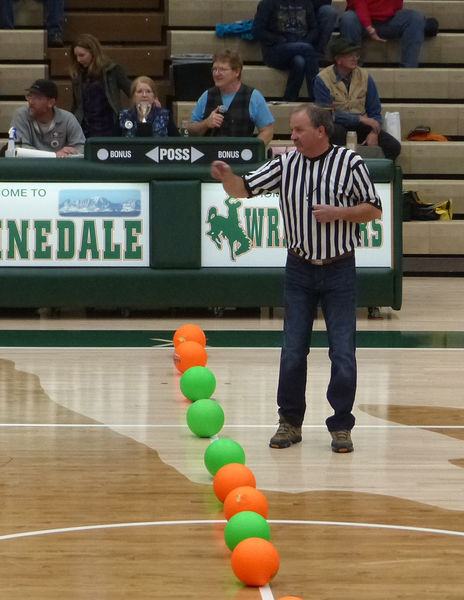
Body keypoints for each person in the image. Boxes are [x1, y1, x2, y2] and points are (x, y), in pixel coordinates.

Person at [210, 104, 382, 453]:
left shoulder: (351, 164)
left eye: (300, 129)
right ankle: (289, 422)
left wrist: (339, 213)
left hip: (339, 268)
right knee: (292, 351)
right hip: (300, 268)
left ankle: (341, 425)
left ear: (321, 131)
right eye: (293, 129)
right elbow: (244, 189)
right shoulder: (286, 163)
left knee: (343, 352)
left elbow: (374, 208)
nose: (294, 136)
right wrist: (228, 177)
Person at [313, 37, 401, 160]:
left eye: (356, 55)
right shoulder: (322, 79)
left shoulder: (365, 77)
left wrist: (374, 132)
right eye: (350, 55)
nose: (355, 58)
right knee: (336, 133)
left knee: (393, 146)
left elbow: (375, 111)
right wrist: (359, 119)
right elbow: (326, 115)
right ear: (338, 59)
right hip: (337, 125)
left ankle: (373, 173)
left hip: (362, 125)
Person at [252, 0, 338, 102]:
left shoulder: (306, 3)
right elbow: (257, 31)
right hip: (275, 50)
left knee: (299, 61)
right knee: (307, 49)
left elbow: (314, 29)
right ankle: (317, 97)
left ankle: (289, 98)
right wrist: (279, 40)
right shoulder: (268, 3)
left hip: (301, 47)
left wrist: (304, 41)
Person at [188, 49, 275, 146]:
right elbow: (191, 130)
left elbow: (267, 131)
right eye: (214, 69)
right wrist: (206, 123)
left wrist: (251, 151)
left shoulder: (253, 97)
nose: (217, 73)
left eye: (222, 69)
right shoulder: (207, 95)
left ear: (237, 72)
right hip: (210, 156)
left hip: (240, 156)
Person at [70, 33, 131, 137]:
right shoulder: (78, 75)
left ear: (93, 52)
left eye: (82, 55)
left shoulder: (112, 70)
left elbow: (131, 90)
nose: (78, 60)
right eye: (76, 56)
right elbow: (77, 105)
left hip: (109, 126)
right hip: (86, 128)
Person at [339, 0, 427, 68]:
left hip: (389, 20)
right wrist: (368, 26)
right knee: (348, 19)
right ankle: (353, 69)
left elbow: (397, 6)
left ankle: (408, 71)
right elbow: (358, 3)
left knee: (414, 18)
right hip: (360, 21)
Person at [10, 79, 85, 157]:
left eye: (37, 98)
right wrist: (54, 155)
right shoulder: (21, 115)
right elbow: (20, 148)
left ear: (51, 103)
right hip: (30, 167)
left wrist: (68, 153)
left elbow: (81, 147)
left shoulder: (68, 119)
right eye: (30, 96)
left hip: (60, 167)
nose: (31, 102)